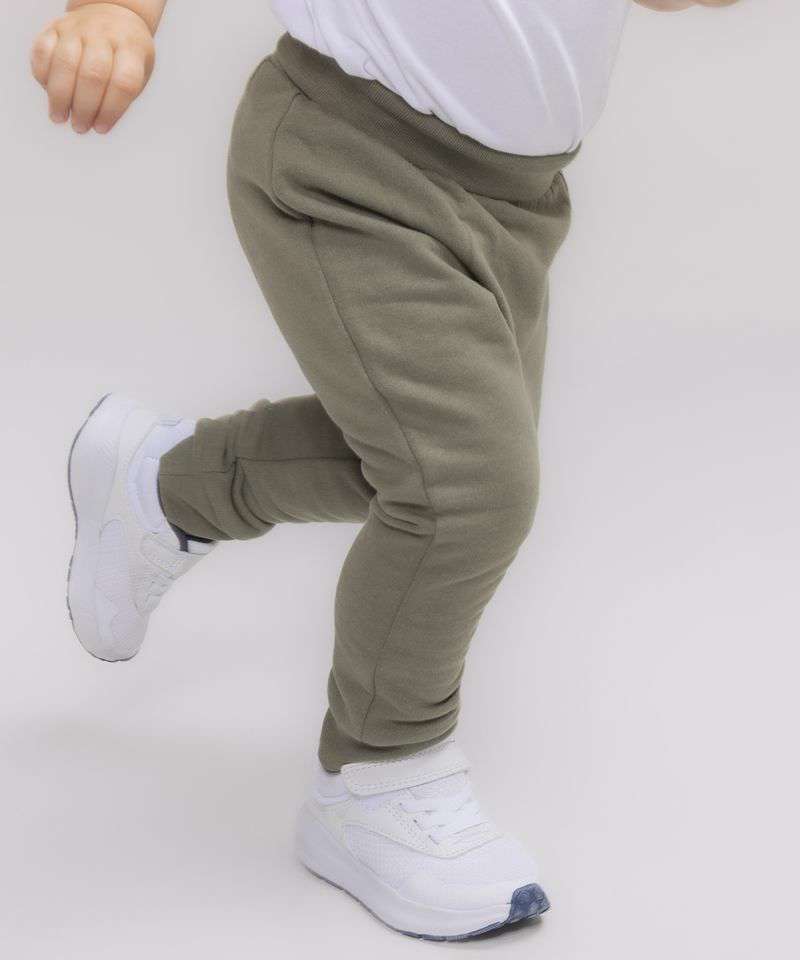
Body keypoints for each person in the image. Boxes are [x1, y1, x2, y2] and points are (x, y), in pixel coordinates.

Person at [31, 0, 742, 942]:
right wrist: (114, 12)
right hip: (351, 155)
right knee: (468, 489)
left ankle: (165, 488)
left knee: (438, 468)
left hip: (513, 199)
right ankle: (377, 779)